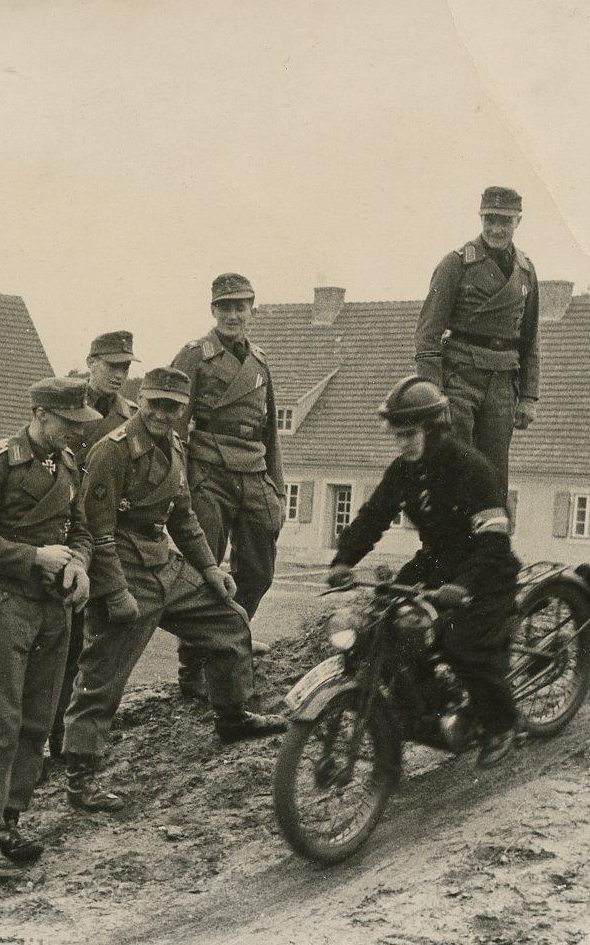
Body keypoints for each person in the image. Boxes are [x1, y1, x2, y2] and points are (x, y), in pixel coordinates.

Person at [61, 367, 286, 812]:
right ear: (140, 401)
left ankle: (232, 716)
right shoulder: (113, 451)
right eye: (156, 404)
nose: (163, 414)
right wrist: (115, 592)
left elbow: (183, 517)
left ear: (183, 409)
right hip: (124, 567)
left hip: (163, 563)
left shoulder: (177, 447)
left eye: (173, 407)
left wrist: (210, 569)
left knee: (229, 620)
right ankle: (80, 777)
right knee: (102, 677)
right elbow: (97, 531)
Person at [325, 376, 523, 768]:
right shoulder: (403, 470)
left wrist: (462, 585)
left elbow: (494, 539)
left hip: (485, 570)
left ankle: (501, 723)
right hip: (436, 561)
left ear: (433, 429)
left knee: (461, 643)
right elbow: (374, 515)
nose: (401, 443)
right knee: (386, 622)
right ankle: (420, 705)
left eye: (409, 434)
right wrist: (344, 560)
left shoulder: (472, 469)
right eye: (396, 435)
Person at [0, 378, 97, 881]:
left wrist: (79, 564)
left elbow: (80, 529)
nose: (74, 433)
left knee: (38, 721)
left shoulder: (67, 464)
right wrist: (34, 556)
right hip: (7, 604)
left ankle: (10, 818)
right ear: (39, 414)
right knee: (0, 722)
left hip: (52, 608)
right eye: (66, 423)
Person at [170, 274, 287, 701]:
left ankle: (232, 635)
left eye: (242, 307)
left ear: (252, 311)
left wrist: (276, 485)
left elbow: (271, 430)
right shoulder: (194, 357)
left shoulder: (259, 360)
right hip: (207, 469)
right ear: (213, 311)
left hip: (253, 469)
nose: (234, 315)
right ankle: (194, 666)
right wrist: (179, 481)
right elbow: (174, 426)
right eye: (226, 307)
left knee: (259, 568)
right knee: (205, 569)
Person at [413, 185, 542, 495]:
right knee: (451, 465)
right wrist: (432, 394)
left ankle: (488, 541)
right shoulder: (456, 264)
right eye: (490, 219)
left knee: (494, 473)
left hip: (502, 383)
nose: (496, 229)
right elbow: (427, 333)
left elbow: (530, 340)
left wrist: (528, 397)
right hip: (460, 378)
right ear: (481, 218)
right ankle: (441, 542)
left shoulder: (525, 271)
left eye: (505, 221)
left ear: (518, 222)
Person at [49, 330, 138, 760]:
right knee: (58, 644)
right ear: (90, 363)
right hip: (60, 533)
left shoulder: (131, 416)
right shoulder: (64, 406)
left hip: (102, 539)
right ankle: (49, 739)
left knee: (92, 644)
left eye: (125, 367)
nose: (119, 375)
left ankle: (73, 741)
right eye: (111, 366)